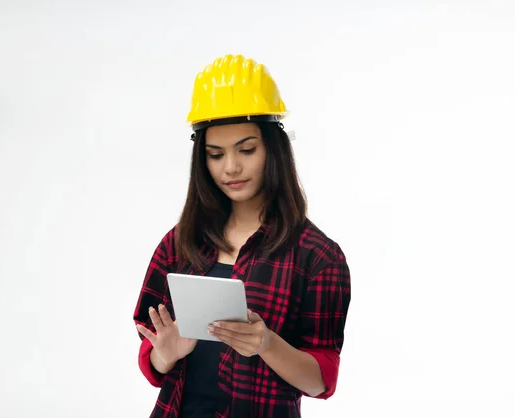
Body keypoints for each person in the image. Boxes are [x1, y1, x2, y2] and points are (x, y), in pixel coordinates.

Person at [133, 53, 352, 418]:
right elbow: (152, 356)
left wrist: (267, 344)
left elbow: (320, 381)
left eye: (246, 150)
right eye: (216, 154)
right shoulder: (179, 242)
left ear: (273, 149)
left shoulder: (317, 256)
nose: (231, 167)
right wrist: (166, 353)